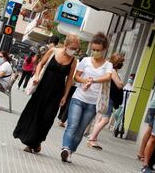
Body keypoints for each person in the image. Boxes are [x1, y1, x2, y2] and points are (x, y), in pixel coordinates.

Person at [13, 34, 79, 153]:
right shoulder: (53, 51)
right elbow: (40, 63)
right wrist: (37, 76)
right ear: (66, 45)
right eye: (72, 47)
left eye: (76, 49)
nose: (74, 51)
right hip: (42, 88)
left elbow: (70, 79)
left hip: (57, 93)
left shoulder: (73, 61)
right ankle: (30, 143)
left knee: (47, 118)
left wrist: (65, 95)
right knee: (35, 115)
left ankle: (37, 142)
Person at [61, 32, 113, 163]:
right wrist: (84, 81)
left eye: (98, 50)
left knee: (80, 130)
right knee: (72, 126)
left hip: (93, 103)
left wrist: (93, 81)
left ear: (104, 50)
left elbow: (108, 77)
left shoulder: (108, 65)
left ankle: (71, 151)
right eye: (94, 49)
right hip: (79, 98)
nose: (95, 52)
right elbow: (76, 76)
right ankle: (65, 149)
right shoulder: (85, 61)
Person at [87, 52, 125, 149]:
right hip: (109, 98)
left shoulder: (110, 69)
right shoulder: (112, 70)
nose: (122, 64)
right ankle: (91, 139)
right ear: (117, 62)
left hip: (108, 97)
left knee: (101, 119)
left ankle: (93, 138)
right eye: (121, 62)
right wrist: (122, 83)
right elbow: (119, 84)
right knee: (105, 120)